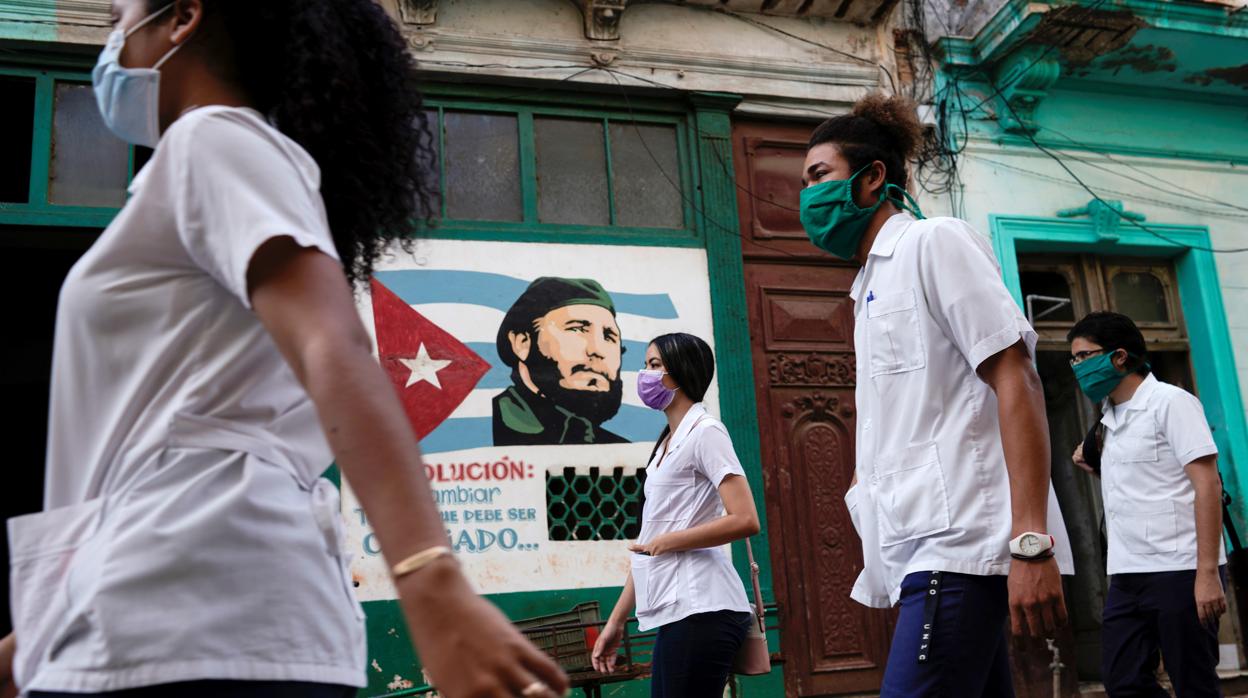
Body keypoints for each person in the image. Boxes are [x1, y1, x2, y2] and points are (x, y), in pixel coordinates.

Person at [0, 2, 569, 697]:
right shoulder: (208, 164)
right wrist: (37, 643)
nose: (111, 34)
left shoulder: (214, 139)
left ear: (182, 18)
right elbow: (147, 460)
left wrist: (430, 582)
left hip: (189, 619)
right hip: (178, 612)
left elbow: (333, 342)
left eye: (117, 15)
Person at [798, 93, 1074, 696]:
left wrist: (1031, 543)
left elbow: (1016, 376)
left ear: (873, 178)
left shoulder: (934, 243)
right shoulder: (867, 286)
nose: (807, 197)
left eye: (820, 175)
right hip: (915, 549)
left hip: (960, 546)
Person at [590, 333, 759, 698]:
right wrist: (617, 622)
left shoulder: (706, 433)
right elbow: (648, 547)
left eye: (654, 366)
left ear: (680, 374)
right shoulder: (668, 442)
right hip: (678, 610)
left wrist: (669, 542)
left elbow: (746, 518)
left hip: (704, 607)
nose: (644, 375)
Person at [1069, 311, 1226, 697]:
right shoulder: (1108, 418)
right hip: (1128, 572)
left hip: (1180, 569)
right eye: (1073, 360)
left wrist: (1206, 574)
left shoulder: (1171, 403)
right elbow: (1141, 481)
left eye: (1084, 356)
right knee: (1123, 680)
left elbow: (1207, 484)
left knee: (1194, 681)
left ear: (1119, 357)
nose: (1077, 368)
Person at [493, 277, 627, 446]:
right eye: (577, 329)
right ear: (522, 343)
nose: (597, 350)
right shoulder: (492, 427)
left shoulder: (617, 447)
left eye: (609, 336)